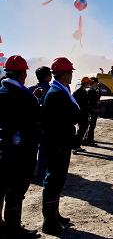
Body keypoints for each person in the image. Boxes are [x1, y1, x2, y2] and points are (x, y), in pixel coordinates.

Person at [0, 55, 40, 238]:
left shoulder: (2, 90)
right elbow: (35, 123)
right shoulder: (25, 97)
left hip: (3, 149)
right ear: (23, 74)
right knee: (16, 192)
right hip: (20, 152)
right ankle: (13, 230)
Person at [41, 57, 80, 235]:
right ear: (64, 74)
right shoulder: (57, 94)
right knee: (53, 180)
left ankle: (54, 215)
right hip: (57, 143)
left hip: (60, 142)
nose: (72, 75)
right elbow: (64, 119)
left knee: (58, 180)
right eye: (70, 72)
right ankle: (49, 222)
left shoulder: (61, 91)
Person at [28, 66, 52, 184]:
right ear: (48, 76)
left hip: (31, 126)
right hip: (46, 127)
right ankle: (41, 175)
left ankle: (30, 172)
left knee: (31, 150)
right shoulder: (52, 90)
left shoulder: (30, 89)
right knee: (44, 151)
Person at [72, 76, 91, 153]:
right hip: (80, 114)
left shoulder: (84, 91)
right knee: (81, 130)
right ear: (85, 83)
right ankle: (75, 146)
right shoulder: (77, 93)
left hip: (85, 114)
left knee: (83, 129)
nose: (90, 84)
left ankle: (77, 145)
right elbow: (74, 103)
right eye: (89, 82)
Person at [83, 77, 100, 146]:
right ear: (94, 83)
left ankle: (87, 139)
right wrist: (93, 109)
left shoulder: (91, 90)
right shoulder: (91, 91)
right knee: (91, 126)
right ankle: (89, 140)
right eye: (96, 83)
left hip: (92, 110)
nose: (97, 84)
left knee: (91, 126)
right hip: (92, 111)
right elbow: (91, 102)